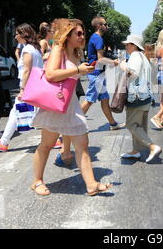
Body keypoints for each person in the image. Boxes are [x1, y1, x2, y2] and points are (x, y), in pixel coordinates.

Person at [31, 18, 112, 196]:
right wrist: (78, 71)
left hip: (70, 104)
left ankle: (91, 184)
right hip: (55, 104)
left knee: (83, 143)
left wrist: (84, 69)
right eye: (79, 33)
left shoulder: (76, 53)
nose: (82, 36)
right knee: (46, 144)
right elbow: (51, 75)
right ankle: (37, 181)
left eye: (83, 33)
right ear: (67, 35)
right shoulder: (58, 49)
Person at [0, 23, 44, 152]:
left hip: (29, 87)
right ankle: (56, 138)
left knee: (16, 113)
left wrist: (23, 89)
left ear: (24, 34)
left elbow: (27, 71)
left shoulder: (28, 49)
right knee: (41, 113)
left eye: (17, 34)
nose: (15, 36)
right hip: (36, 86)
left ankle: (4, 142)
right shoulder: (35, 48)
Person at [119, 35, 162, 162]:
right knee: (140, 125)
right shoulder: (143, 57)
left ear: (133, 45)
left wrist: (123, 67)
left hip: (136, 97)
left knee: (131, 124)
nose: (126, 46)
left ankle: (152, 146)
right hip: (145, 96)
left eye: (127, 44)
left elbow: (132, 74)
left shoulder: (135, 56)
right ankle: (135, 150)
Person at [80, 16, 124, 130]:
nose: (107, 26)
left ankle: (113, 124)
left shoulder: (95, 37)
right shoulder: (98, 38)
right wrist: (113, 62)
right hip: (96, 74)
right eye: (105, 24)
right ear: (99, 26)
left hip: (99, 74)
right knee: (89, 100)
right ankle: (72, 125)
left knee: (105, 100)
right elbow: (100, 59)